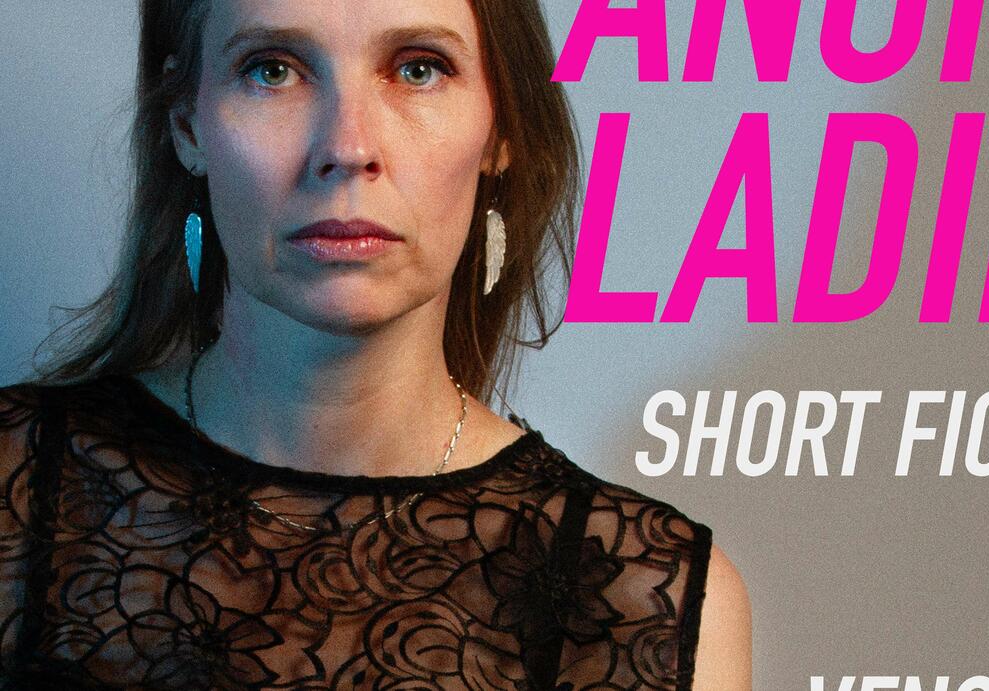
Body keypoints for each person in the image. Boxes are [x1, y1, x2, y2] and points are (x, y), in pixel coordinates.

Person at [0, 0, 752, 689]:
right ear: (187, 126)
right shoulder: (16, 486)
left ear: (502, 130)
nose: (348, 147)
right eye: (272, 70)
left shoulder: (648, 597)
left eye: (419, 68)